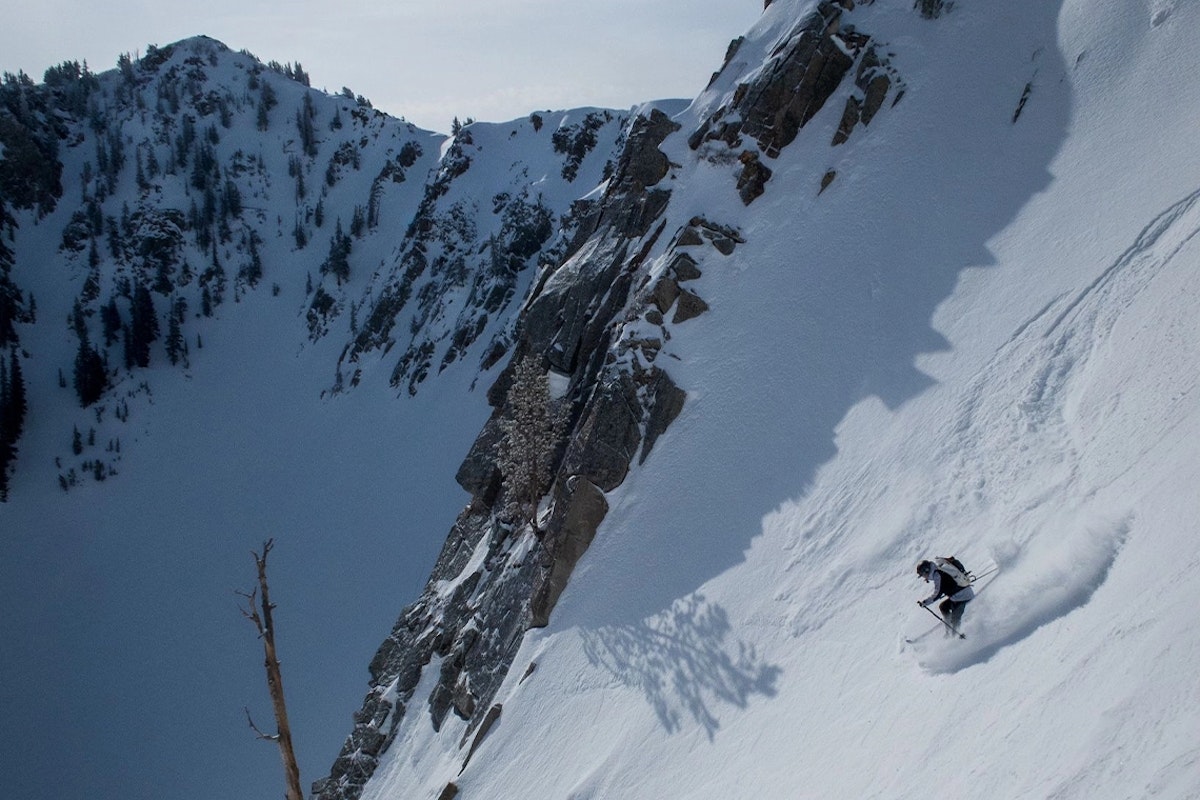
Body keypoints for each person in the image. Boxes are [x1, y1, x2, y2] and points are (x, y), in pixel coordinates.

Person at [916, 557, 975, 635]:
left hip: (962, 597)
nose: (924, 577)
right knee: (943, 606)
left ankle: (956, 637)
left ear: (926, 571)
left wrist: (925, 602)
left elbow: (937, 594)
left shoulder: (937, 575)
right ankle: (949, 628)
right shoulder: (938, 570)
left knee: (955, 619)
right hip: (958, 596)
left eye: (923, 575)